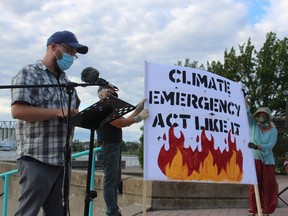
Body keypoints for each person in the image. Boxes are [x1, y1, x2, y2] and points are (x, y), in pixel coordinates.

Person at [11, 30, 88, 216]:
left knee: (58, 213)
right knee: (28, 211)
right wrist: (58, 112)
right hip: (36, 159)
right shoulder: (29, 73)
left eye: (74, 54)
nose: (72, 56)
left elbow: (70, 116)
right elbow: (18, 111)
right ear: (53, 47)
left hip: (62, 160)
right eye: (69, 50)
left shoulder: (66, 82)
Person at [96, 86, 148, 216]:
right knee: (110, 181)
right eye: (110, 93)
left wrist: (138, 109)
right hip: (108, 147)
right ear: (102, 94)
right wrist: (139, 118)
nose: (113, 96)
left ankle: (113, 209)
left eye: (114, 94)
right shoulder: (102, 109)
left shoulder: (110, 109)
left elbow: (124, 121)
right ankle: (112, 211)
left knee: (114, 180)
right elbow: (119, 123)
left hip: (114, 146)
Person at [247, 106, 278, 216]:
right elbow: (247, 111)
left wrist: (257, 147)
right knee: (254, 187)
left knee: (268, 187)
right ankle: (253, 210)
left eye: (264, 115)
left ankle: (266, 211)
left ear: (268, 117)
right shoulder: (253, 125)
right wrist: (243, 95)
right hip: (255, 160)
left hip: (268, 162)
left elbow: (269, 146)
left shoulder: (273, 130)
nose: (261, 116)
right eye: (259, 114)